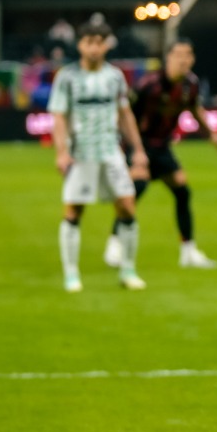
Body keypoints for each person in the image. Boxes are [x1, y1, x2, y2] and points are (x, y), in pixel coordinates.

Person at [105, 39, 217, 271]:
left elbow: (194, 108)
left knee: (182, 191)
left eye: (188, 55)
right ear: (168, 58)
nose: (183, 59)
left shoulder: (190, 84)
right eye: (178, 55)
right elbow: (124, 114)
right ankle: (114, 244)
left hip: (162, 147)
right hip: (138, 144)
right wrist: (130, 149)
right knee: (135, 190)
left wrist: (213, 135)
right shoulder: (148, 84)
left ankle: (188, 252)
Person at [49, 20, 148, 292]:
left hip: (110, 152)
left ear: (106, 45)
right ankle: (71, 274)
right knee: (74, 211)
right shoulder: (66, 77)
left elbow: (124, 114)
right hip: (81, 154)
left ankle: (128, 270)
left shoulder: (115, 76)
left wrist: (138, 150)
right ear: (80, 45)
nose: (94, 48)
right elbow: (58, 117)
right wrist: (61, 152)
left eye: (99, 42)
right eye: (89, 42)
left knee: (127, 206)